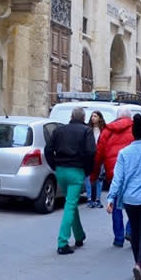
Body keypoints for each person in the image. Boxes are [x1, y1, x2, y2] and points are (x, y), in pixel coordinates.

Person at [105, 114, 141, 280]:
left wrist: (111, 198)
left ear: (133, 134)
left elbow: (118, 178)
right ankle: (140, 263)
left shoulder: (124, 153)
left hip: (129, 199)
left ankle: (139, 265)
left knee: (135, 232)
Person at [44, 106, 97, 254]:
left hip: (61, 170)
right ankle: (62, 242)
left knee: (70, 202)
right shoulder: (86, 131)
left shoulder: (59, 130)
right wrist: (87, 170)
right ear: (83, 118)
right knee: (70, 204)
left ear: (71, 117)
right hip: (76, 171)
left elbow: (48, 149)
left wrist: (54, 165)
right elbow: (91, 152)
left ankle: (79, 235)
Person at [92, 107, 134, 246]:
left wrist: (94, 174)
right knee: (133, 205)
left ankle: (118, 238)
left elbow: (98, 156)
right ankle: (130, 229)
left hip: (113, 173)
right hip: (132, 174)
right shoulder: (135, 128)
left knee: (116, 206)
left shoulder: (107, 131)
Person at [85, 111, 106, 208]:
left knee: (99, 177)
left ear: (100, 118)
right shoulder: (88, 129)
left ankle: (97, 198)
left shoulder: (103, 130)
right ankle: (89, 198)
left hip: (100, 156)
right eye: (92, 116)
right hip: (89, 156)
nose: (93, 118)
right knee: (88, 177)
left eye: (95, 116)